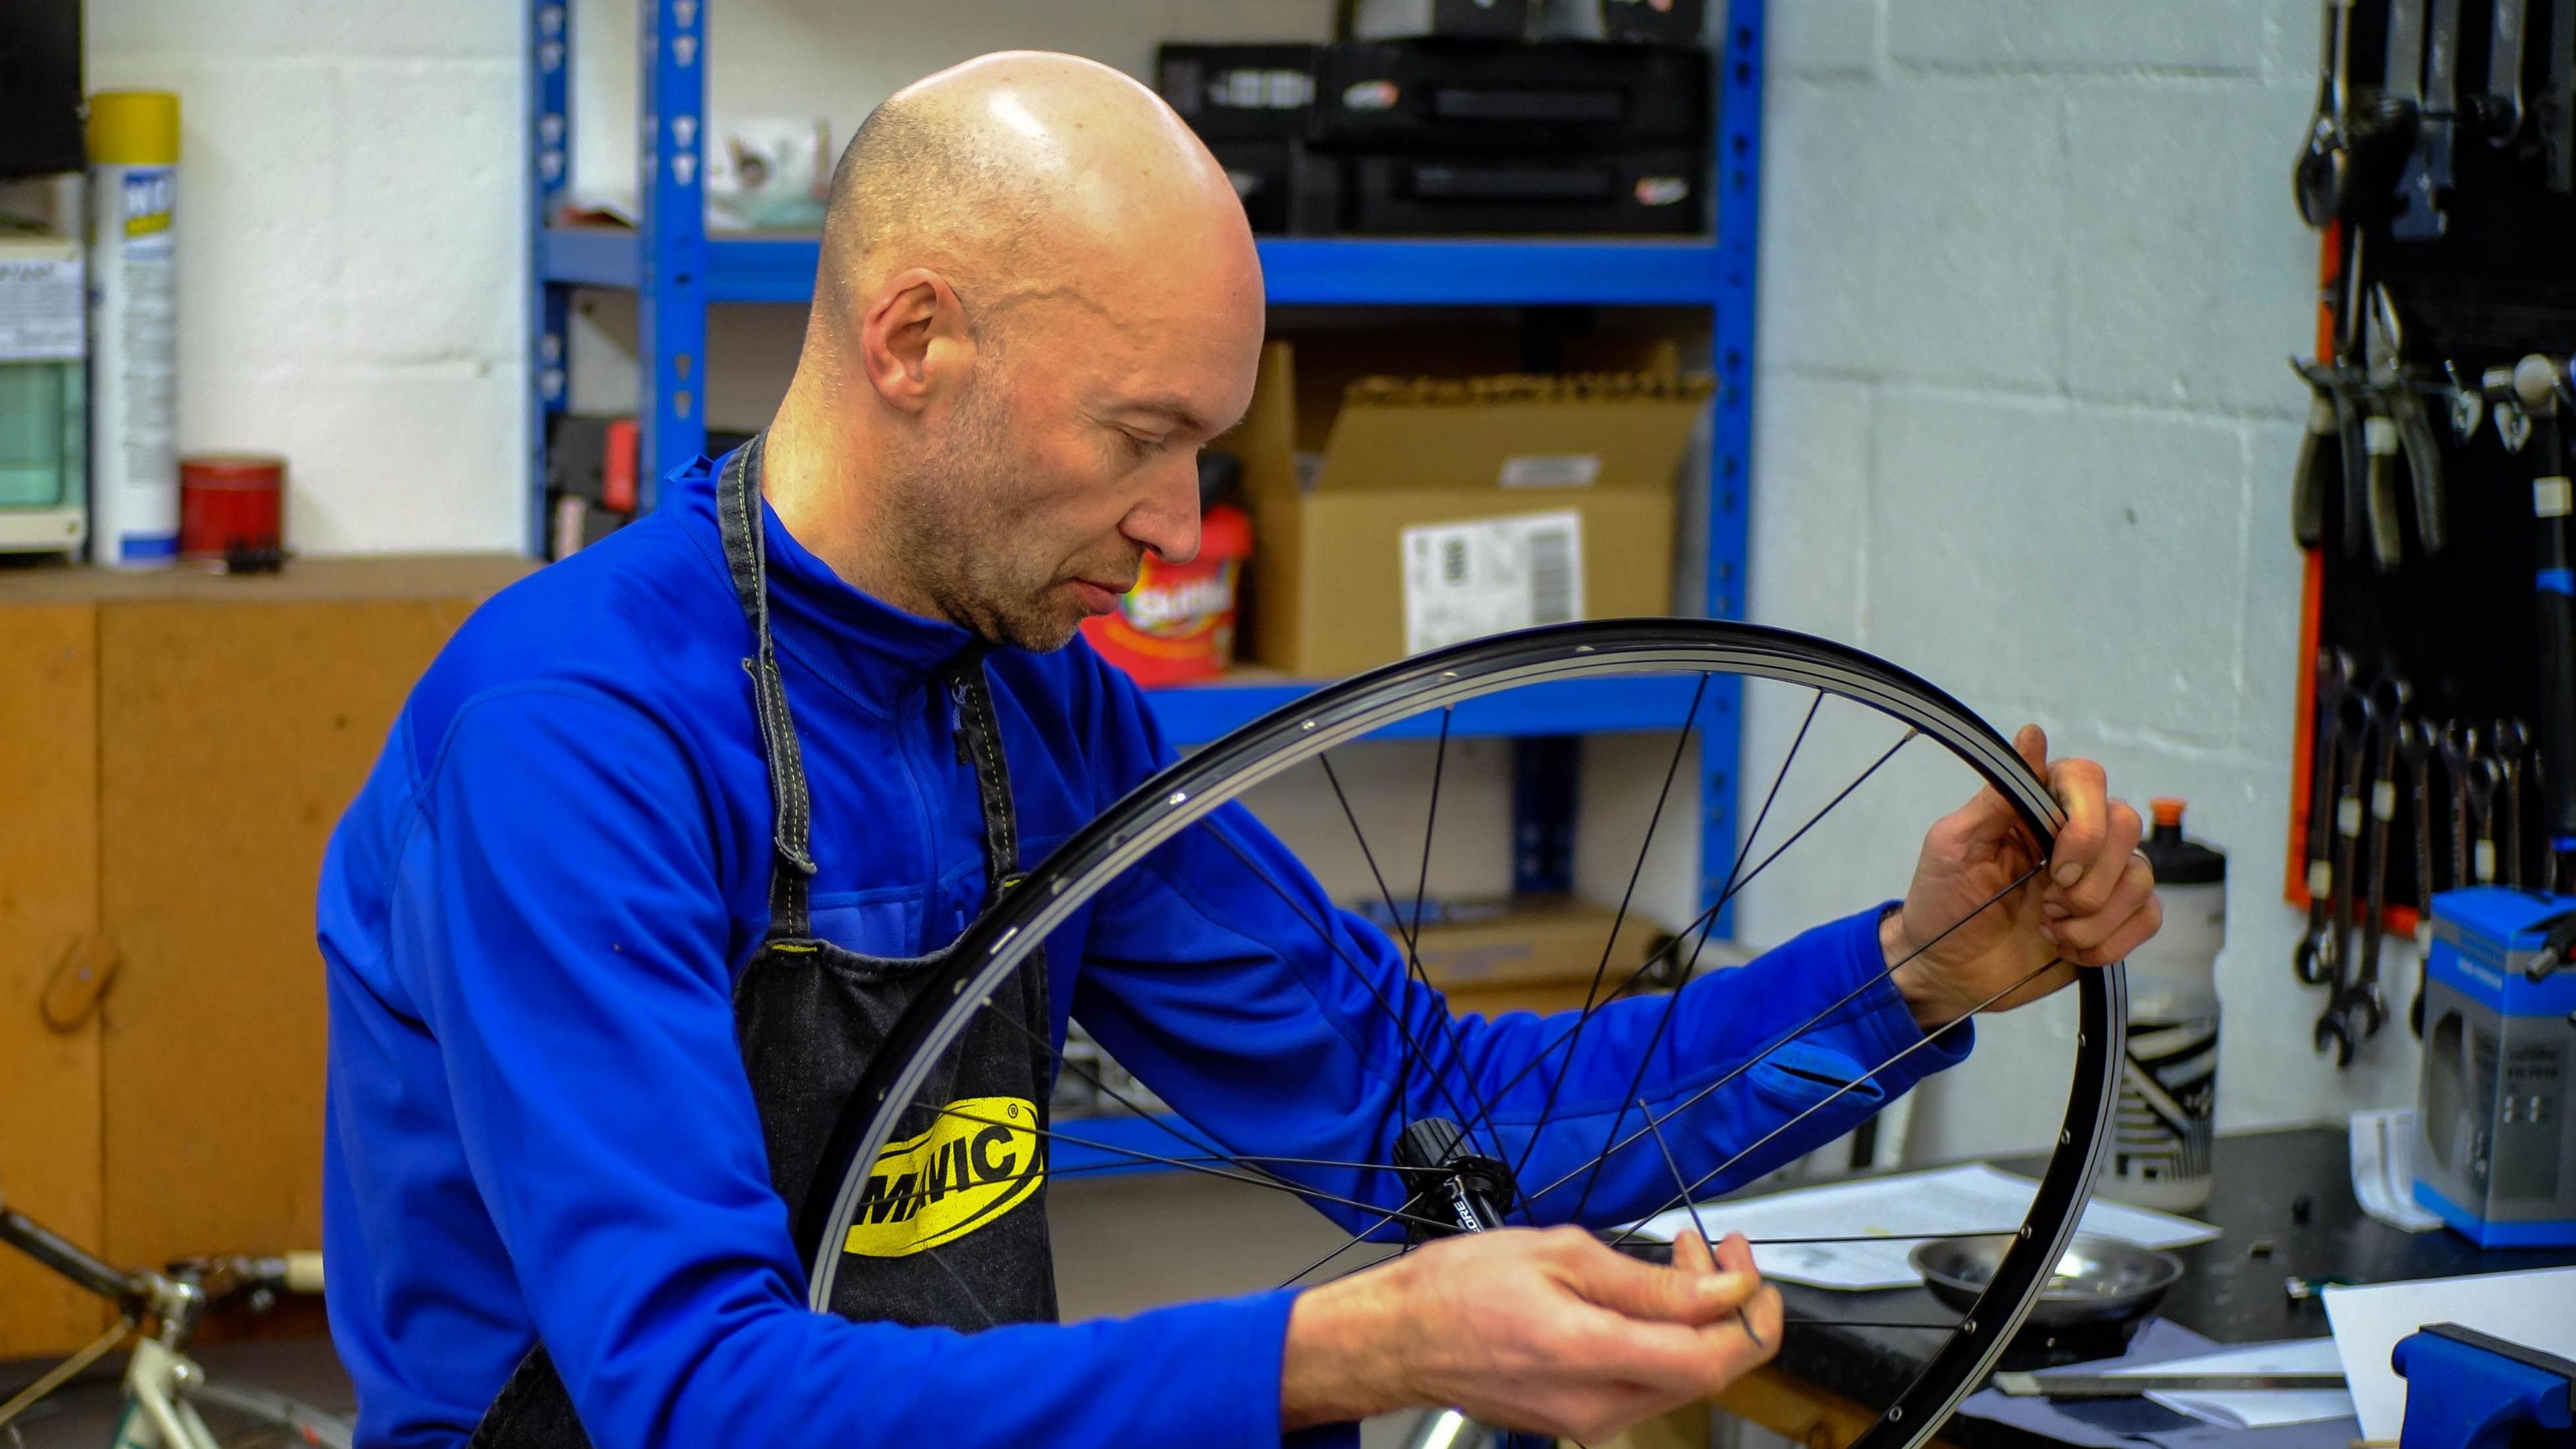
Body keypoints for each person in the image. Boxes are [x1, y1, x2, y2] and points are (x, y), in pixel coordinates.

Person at [316, 51, 2163, 1449]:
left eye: (1203, 445)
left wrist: (1913, 976)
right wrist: (1356, 1348)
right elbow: (692, 1394)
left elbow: (1448, 1127)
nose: (1180, 525)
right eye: (1139, 434)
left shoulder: (1038, 702)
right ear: (913, 340)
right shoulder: (576, 746)